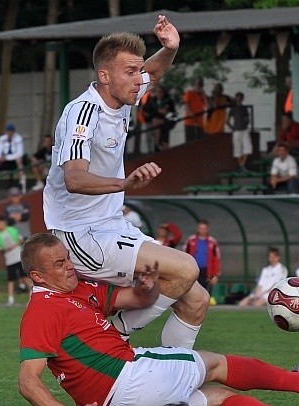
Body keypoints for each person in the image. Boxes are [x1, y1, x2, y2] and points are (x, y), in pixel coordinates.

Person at [18, 233, 299, 406]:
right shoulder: (42, 310)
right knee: (214, 364)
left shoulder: (80, 288)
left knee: (217, 399)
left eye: (67, 258)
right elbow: (27, 381)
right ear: (37, 276)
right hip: (127, 378)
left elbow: (136, 298)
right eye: (59, 264)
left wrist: (148, 286)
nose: (69, 267)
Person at [43, 16, 209, 350]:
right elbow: (74, 179)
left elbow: (155, 71)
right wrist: (125, 184)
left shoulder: (119, 97)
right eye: (130, 72)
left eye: (138, 71)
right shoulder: (82, 114)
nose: (139, 79)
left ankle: (170, 379)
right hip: (80, 233)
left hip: (111, 226)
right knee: (185, 268)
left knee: (197, 299)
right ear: (104, 76)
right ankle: (110, 336)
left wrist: (170, 48)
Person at [0, 215, 32, 306]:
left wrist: (13, 245)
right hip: (9, 259)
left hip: (17, 257)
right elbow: (0, 249)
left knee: (24, 276)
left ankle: (32, 294)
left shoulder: (12, 230)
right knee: (11, 279)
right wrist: (5, 249)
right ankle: (10, 298)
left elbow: (20, 239)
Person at [183, 219, 221, 292]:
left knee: (205, 290)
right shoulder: (190, 240)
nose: (202, 230)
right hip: (193, 269)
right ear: (198, 229)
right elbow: (185, 256)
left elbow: (216, 259)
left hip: (207, 270)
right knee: (192, 289)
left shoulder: (212, 242)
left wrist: (215, 275)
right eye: (201, 228)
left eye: (204, 229)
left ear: (207, 229)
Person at [0, 124, 26, 189]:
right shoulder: (2, 139)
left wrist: (7, 157)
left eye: (11, 131)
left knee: (19, 160)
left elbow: (20, 153)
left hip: (14, 160)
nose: (10, 133)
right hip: (4, 161)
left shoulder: (18, 138)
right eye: (8, 131)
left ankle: (21, 181)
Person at [142, 85, 176, 151]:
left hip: (166, 122)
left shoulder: (168, 101)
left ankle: (158, 144)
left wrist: (165, 113)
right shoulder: (152, 100)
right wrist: (158, 112)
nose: (159, 94)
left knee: (164, 140)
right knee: (155, 122)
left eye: (160, 92)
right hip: (154, 123)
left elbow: (172, 114)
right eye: (157, 92)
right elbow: (147, 111)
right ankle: (156, 144)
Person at [226, 92, 253, 172]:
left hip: (244, 130)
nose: (239, 99)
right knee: (238, 149)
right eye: (238, 97)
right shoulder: (233, 109)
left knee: (248, 148)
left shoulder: (244, 108)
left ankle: (242, 165)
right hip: (236, 131)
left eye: (240, 98)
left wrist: (246, 121)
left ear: (242, 99)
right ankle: (241, 166)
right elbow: (227, 121)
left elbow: (247, 119)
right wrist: (232, 128)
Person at [183, 77, 207, 142]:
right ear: (194, 84)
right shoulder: (189, 93)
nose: (198, 86)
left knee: (199, 141)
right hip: (190, 122)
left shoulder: (202, 95)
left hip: (200, 123)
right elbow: (186, 105)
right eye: (197, 84)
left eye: (200, 85)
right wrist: (190, 113)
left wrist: (204, 95)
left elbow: (207, 105)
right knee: (190, 141)